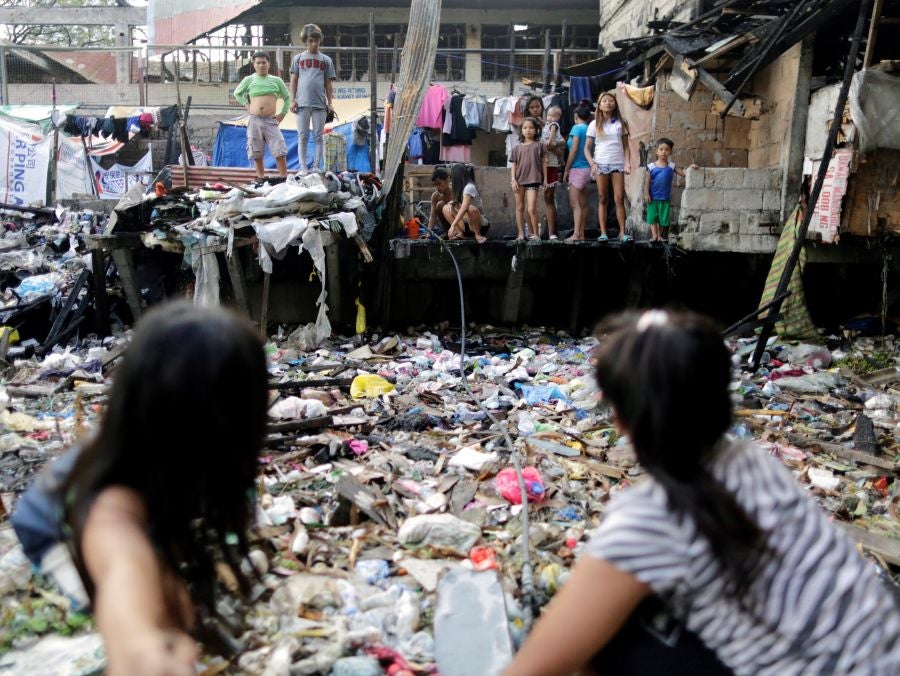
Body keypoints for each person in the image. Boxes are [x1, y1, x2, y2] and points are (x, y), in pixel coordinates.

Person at [503, 309, 900, 676]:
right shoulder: (752, 462)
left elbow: (534, 669)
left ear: (621, 419)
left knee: (613, 640)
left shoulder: (651, 519)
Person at [12, 302, 270, 676]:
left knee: (180, 605)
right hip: (51, 527)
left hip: (133, 497)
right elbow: (123, 568)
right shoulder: (113, 505)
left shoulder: (165, 443)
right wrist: (142, 648)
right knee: (163, 610)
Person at [233, 51, 291, 180]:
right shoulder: (249, 79)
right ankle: (260, 178)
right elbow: (237, 93)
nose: (261, 65)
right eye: (258, 63)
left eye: (264, 62)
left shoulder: (276, 80)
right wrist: (247, 105)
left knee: (279, 149)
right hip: (254, 120)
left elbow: (287, 97)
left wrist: (282, 114)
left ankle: (284, 177)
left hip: (271, 120)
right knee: (256, 151)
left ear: (269, 64)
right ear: (253, 64)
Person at [584, 91, 631, 242]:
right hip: (601, 164)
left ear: (615, 104)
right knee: (603, 198)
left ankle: (622, 232)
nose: (608, 103)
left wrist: (628, 163)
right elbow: (586, 148)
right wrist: (592, 163)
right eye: (604, 101)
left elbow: (626, 147)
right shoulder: (594, 124)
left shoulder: (620, 123)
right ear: (599, 105)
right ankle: (603, 232)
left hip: (617, 163)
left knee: (619, 198)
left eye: (611, 100)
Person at [290, 23, 337, 171]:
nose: (314, 43)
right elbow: (293, 80)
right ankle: (303, 166)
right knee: (302, 136)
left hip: (320, 105)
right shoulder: (298, 59)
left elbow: (328, 84)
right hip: (302, 104)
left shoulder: (326, 60)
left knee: (318, 136)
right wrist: (292, 100)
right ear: (305, 40)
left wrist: (330, 103)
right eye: (310, 40)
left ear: (320, 40)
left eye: (316, 40)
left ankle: (317, 166)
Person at [645, 138, 698, 242]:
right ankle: (654, 236)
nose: (663, 152)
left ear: (670, 152)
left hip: (665, 197)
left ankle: (660, 236)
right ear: (657, 151)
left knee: (662, 218)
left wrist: (691, 168)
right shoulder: (651, 167)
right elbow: (647, 182)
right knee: (652, 217)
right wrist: (646, 193)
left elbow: (683, 173)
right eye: (661, 149)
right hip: (653, 197)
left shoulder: (671, 166)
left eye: (666, 150)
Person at [526, 96, 564, 240]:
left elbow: (561, 145)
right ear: (527, 110)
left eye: (538, 107)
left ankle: (552, 232)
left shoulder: (549, 125)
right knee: (528, 200)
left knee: (548, 196)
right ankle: (532, 233)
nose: (535, 110)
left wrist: (555, 147)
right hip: (531, 166)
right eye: (532, 107)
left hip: (549, 163)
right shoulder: (526, 126)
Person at [510, 117, 546, 241]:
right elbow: (513, 164)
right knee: (519, 207)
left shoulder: (539, 146)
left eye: (531, 128)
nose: (528, 130)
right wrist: (513, 180)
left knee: (531, 208)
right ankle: (521, 234)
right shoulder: (516, 148)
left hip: (533, 179)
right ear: (521, 131)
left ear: (536, 130)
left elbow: (543, 163)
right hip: (519, 180)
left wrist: (545, 179)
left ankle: (536, 234)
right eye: (525, 128)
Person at [562, 101, 593, 242]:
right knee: (583, 203)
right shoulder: (590, 128)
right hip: (588, 169)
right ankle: (582, 234)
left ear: (576, 116)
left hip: (577, 169)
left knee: (575, 204)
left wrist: (566, 169)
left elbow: (573, 150)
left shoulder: (577, 128)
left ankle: (576, 234)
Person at [444, 163, 489, 244]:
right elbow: (457, 201)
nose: (451, 179)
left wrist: (453, 225)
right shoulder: (461, 188)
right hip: (466, 225)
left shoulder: (469, 187)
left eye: (452, 177)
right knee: (445, 208)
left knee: (470, 208)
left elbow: (464, 208)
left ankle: (478, 235)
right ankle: (459, 233)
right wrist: (451, 203)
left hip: (480, 225)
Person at [427, 166, 453, 234]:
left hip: (459, 223)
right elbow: (433, 216)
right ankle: (446, 232)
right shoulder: (435, 196)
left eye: (439, 183)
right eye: (435, 185)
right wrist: (428, 232)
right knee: (440, 204)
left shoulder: (456, 191)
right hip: (448, 226)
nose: (437, 187)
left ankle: (456, 231)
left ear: (447, 180)